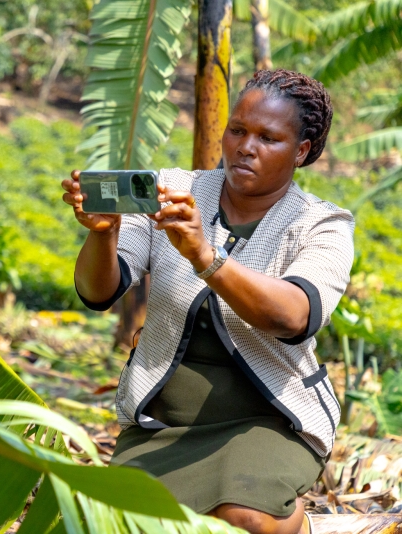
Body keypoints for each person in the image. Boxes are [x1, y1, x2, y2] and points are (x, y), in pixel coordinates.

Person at [62, 69, 354, 534]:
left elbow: (294, 315)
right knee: (117, 522)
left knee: (243, 519)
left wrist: (205, 256)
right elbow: (99, 292)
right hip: (163, 424)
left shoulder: (322, 225)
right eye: (237, 130)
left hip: (270, 422)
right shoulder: (170, 191)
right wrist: (105, 233)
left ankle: (294, 524)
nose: (245, 146)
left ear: (301, 151)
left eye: (268, 137)